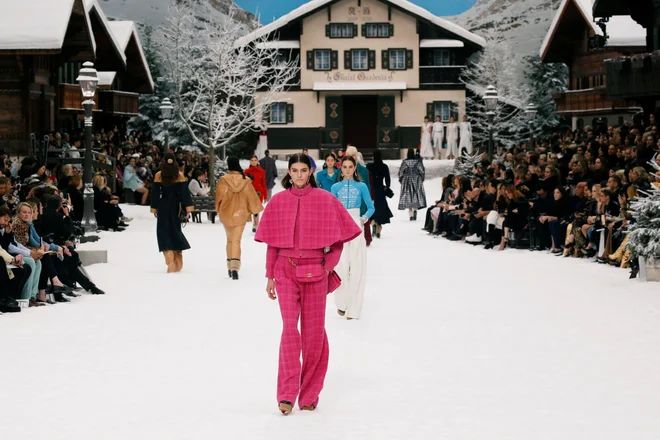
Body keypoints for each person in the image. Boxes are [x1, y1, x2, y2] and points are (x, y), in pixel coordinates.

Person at [254, 153, 361, 415]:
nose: (299, 175)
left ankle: (310, 393)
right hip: (285, 271)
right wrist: (270, 275)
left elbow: (338, 242)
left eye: (304, 170)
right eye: (295, 170)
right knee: (290, 330)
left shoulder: (326, 200)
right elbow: (272, 243)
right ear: (289, 172)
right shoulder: (278, 202)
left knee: (314, 333)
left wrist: (326, 267)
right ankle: (287, 394)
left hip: (315, 272)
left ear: (310, 172)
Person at [331, 156, 375, 320]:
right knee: (341, 266)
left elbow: (371, 207)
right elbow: (332, 207)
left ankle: (354, 310)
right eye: (345, 167)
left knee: (357, 267)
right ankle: (342, 303)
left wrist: (362, 219)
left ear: (355, 168)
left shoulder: (361, 186)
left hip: (356, 224)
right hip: (340, 226)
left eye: (351, 167)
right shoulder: (335, 187)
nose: (348, 170)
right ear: (340, 169)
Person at [215, 156, 263, 280]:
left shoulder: (223, 180)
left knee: (229, 240)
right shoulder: (245, 180)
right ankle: (235, 267)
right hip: (241, 213)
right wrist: (255, 210)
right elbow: (251, 197)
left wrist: (218, 209)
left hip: (226, 213)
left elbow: (219, 197)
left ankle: (230, 266)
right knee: (236, 241)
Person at [150, 154, 194, 273]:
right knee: (175, 230)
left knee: (163, 231)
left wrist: (154, 208)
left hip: (163, 205)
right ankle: (178, 259)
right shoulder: (179, 175)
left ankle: (170, 261)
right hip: (176, 206)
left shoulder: (159, 175)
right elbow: (185, 193)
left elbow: (155, 193)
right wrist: (188, 209)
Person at [366, 150, 393, 238]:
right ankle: (378, 226)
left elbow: (366, 177)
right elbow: (388, 179)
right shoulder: (384, 166)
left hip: (371, 189)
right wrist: (387, 187)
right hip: (380, 189)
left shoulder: (369, 166)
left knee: (371, 206)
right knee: (381, 208)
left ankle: (373, 222)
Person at [398, 148, 427, 220]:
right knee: (415, 195)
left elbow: (401, 172)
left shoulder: (404, 162)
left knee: (408, 196)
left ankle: (410, 213)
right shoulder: (417, 162)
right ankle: (415, 209)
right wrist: (421, 178)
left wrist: (401, 179)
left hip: (407, 180)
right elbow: (422, 171)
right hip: (416, 179)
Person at [244, 155, 267, 233]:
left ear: (257, 161)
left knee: (256, 209)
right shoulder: (246, 171)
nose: (253, 162)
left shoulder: (262, 171)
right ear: (250, 162)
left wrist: (265, 195)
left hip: (259, 193)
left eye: (255, 160)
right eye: (252, 160)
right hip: (249, 192)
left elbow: (263, 183)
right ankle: (254, 223)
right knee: (251, 208)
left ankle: (256, 224)